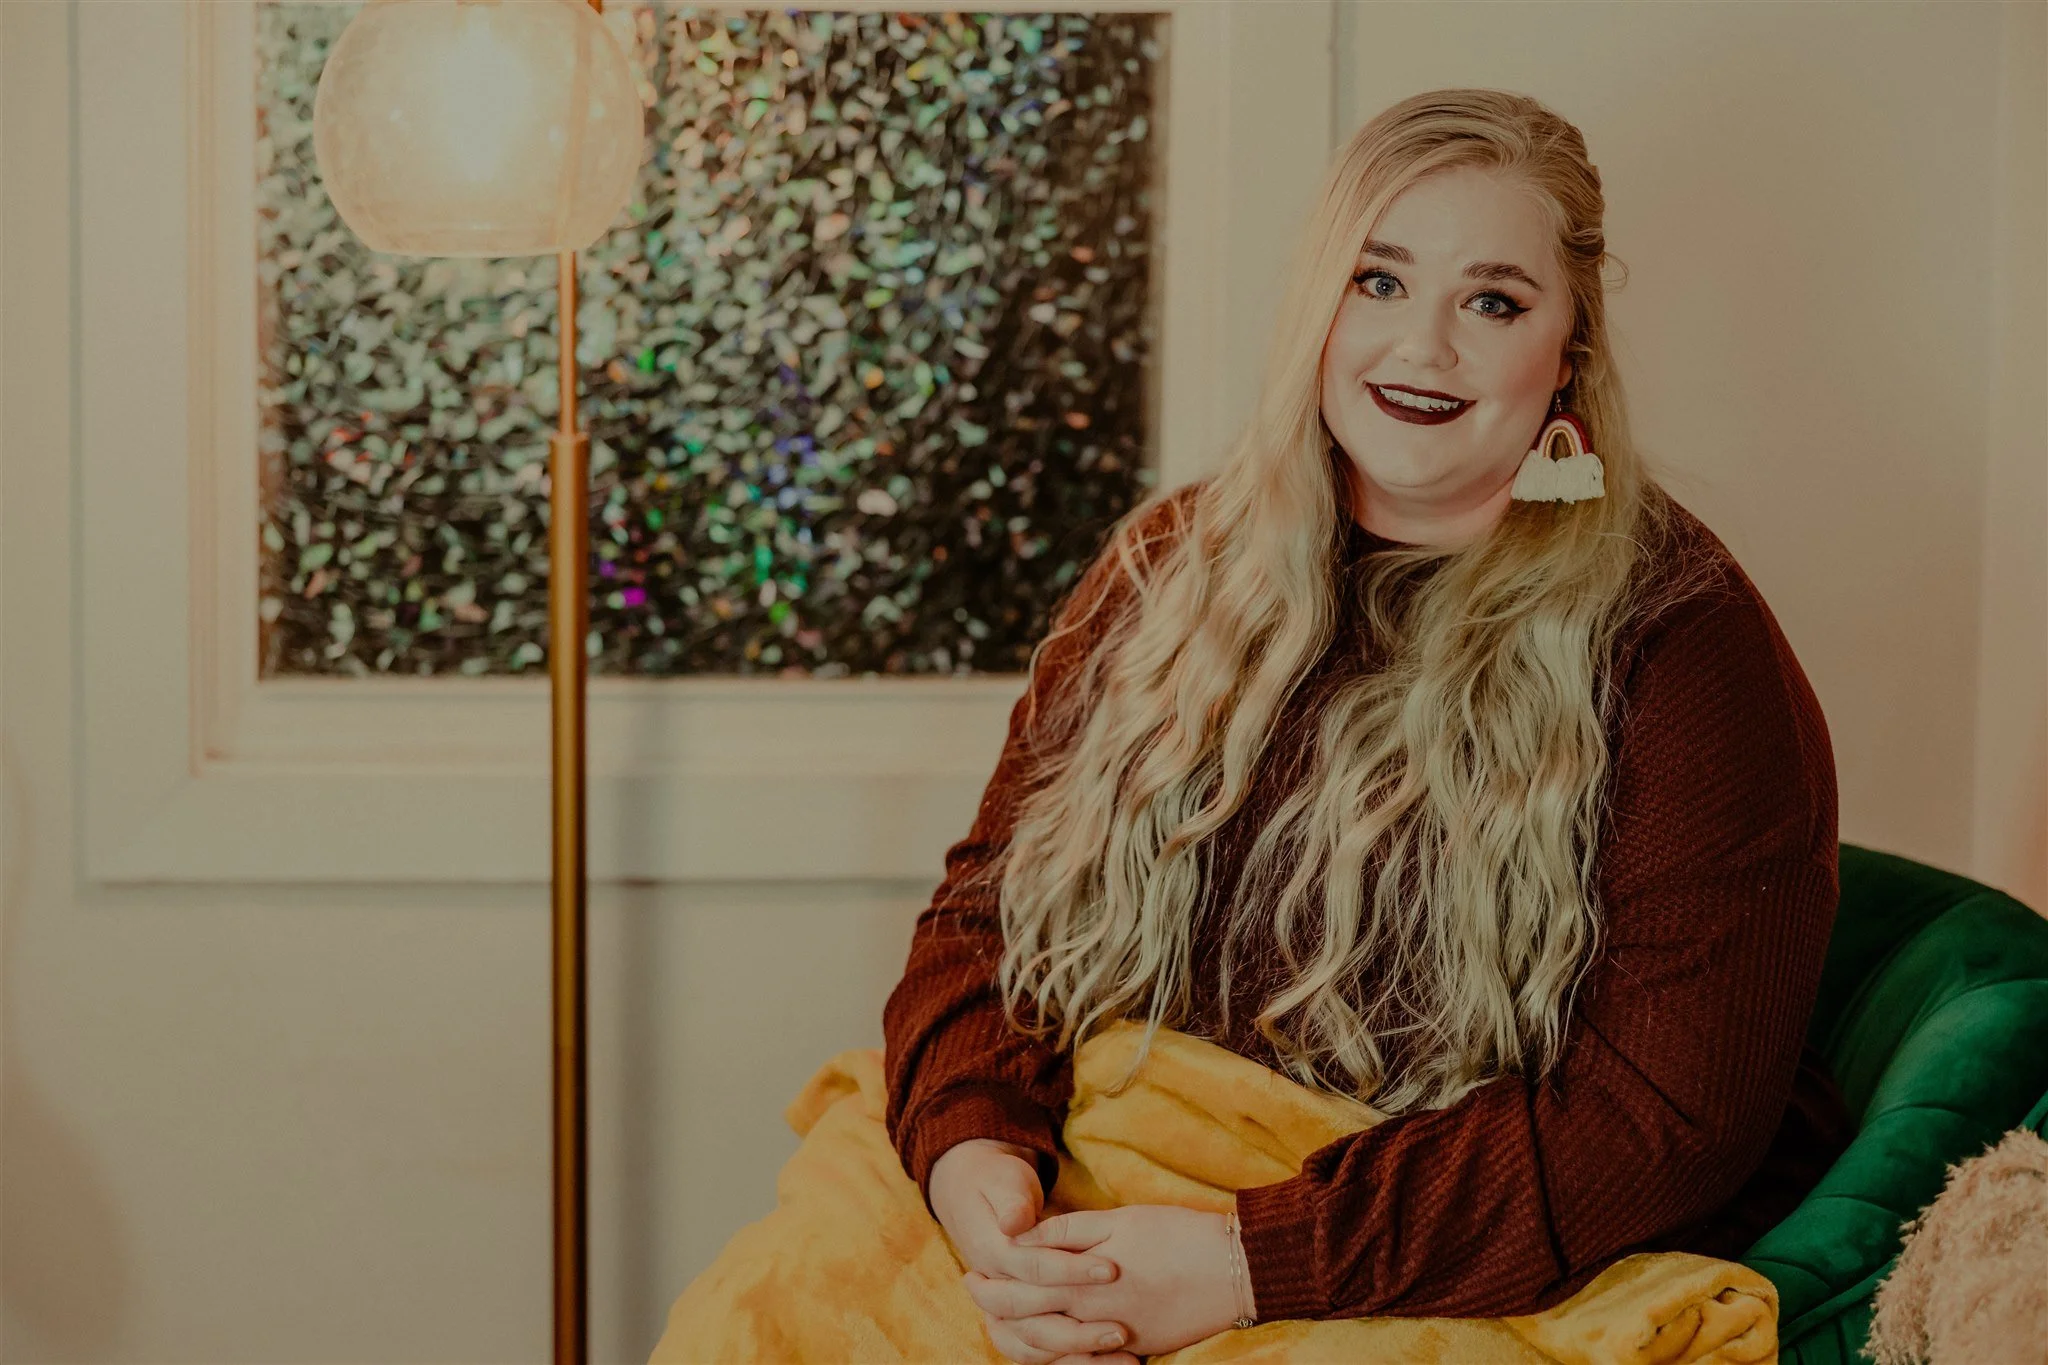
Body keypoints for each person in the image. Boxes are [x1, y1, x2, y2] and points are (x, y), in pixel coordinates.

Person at [882, 88, 1851, 1365]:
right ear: (1318, 308)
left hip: (1449, 1267)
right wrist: (980, 1173)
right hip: (1097, 1206)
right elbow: (984, 917)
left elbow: (1662, 1120)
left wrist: (1244, 1265)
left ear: (1567, 348)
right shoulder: (1167, 567)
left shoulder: (1680, 642)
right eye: (1378, 282)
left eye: (1491, 302)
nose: (1422, 347)